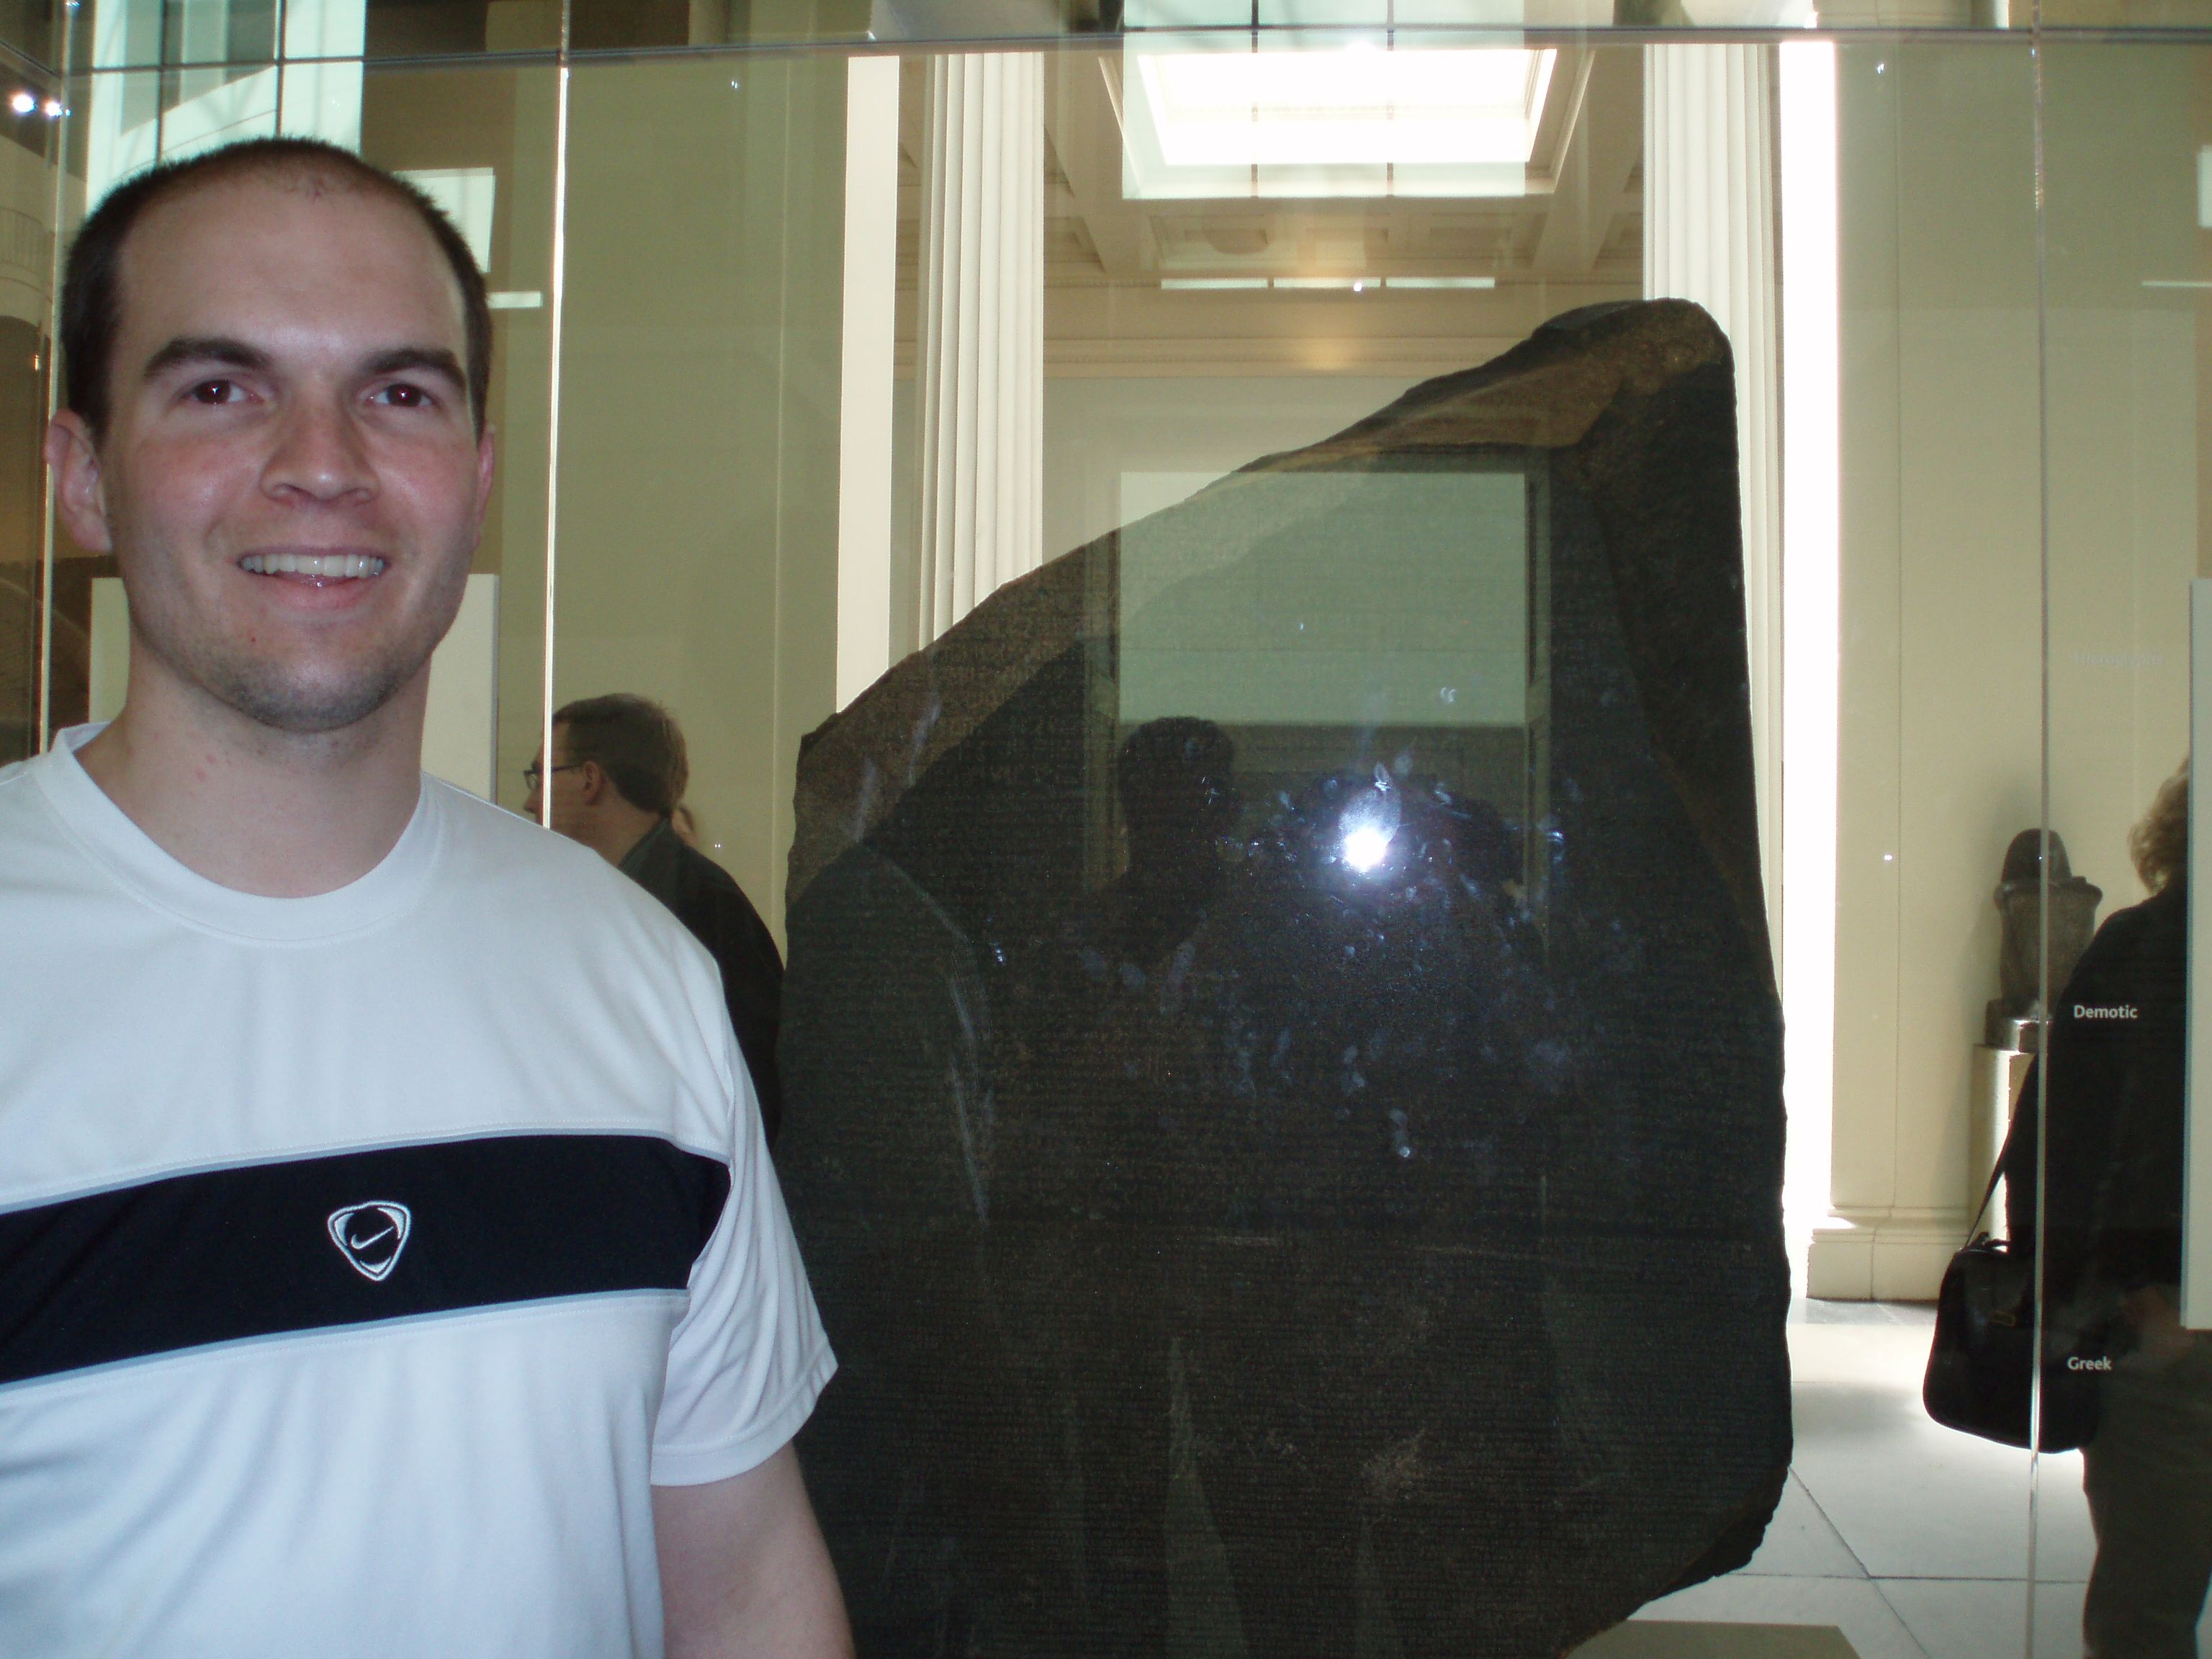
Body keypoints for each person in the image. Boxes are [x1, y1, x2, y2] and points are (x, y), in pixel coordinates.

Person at [0, 137, 849, 1656]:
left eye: (398, 394)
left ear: (477, 478)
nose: (322, 461)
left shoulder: (631, 970)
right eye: (222, 387)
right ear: (82, 479)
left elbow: (744, 1585)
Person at [2006, 760, 2200, 1659]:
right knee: (2144, 1614)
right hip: (2166, 1327)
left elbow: (2058, 1146)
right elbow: (2065, 1144)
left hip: (2164, 1327)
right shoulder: (2147, 951)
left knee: (2144, 1612)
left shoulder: (2145, 947)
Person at [527, 693, 786, 1144]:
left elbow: (750, 1094)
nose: (531, 802)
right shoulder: (633, 896)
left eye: (540, 778)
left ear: (590, 780)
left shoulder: (700, 908)